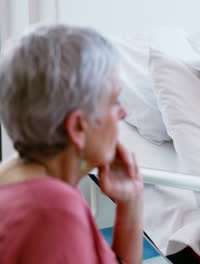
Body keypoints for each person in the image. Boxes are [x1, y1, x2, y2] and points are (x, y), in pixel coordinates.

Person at [0, 25, 143, 263]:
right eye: (115, 101)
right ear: (78, 127)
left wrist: (131, 202)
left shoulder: (29, 180)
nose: (123, 113)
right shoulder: (52, 208)